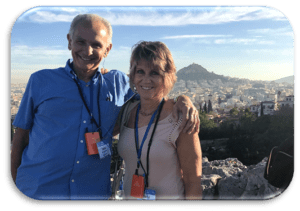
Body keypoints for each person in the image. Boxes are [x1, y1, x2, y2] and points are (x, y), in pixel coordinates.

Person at [11, 14, 199, 201]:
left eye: (97, 45)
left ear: (107, 49)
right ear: (69, 41)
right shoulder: (40, 81)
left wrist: (183, 99)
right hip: (37, 191)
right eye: (81, 42)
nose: (88, 50)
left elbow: (152, 95)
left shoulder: (117, 82)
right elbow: (19, 139)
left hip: (92, 193)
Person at [116, 41, 202, 200]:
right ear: (133, 76)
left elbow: (193, 182)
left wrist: (183, 99)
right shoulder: (127, 111)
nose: (146, 80)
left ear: (167, 76)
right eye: (140, 71)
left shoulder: (179, 119)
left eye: (155, 73)